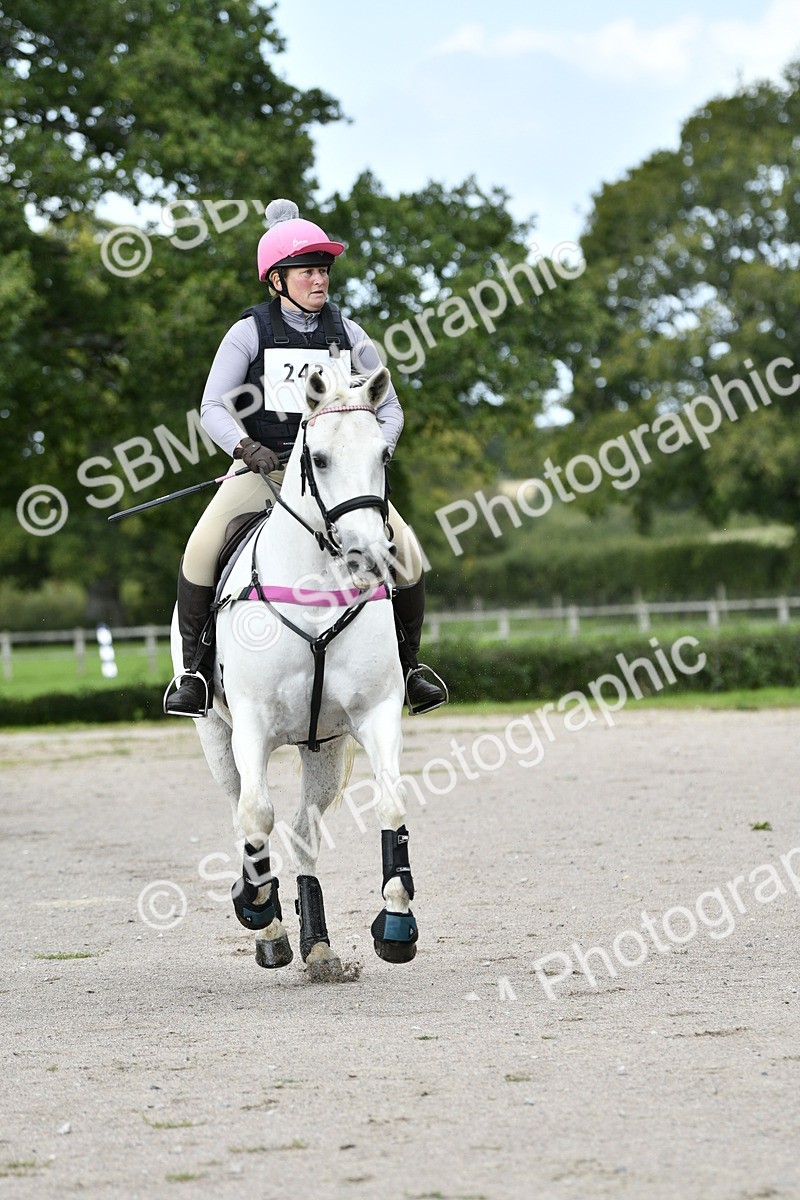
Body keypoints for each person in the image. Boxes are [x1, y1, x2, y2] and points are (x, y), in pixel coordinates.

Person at [164, 198, 448, 719]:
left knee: (406, 553)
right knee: (200, 551)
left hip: (337, 480)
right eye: (306, 272)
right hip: (265, 471)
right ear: (276, 279)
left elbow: (392, 409)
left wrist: (371, 453)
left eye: (323, 270)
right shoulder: (248, 332)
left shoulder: (349, 334)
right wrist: (245, 447)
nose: (319, 280)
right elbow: (211, 406)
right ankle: (196, 673)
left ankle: (410, 668)